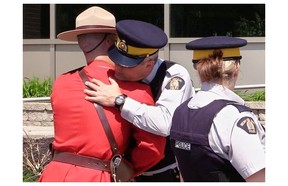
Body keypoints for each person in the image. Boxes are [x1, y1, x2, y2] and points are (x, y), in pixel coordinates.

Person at [38, 7, 166, 182]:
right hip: (98, 177)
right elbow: (152, 149)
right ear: (112, 41)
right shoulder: (134, 89)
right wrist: (125, 168)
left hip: (53, 175)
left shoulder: (61, 83)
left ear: (80, 41)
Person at [83, 19, 195, 182]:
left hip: (166, 173)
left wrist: (119, 100)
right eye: (116, 59)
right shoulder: (118, 74)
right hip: (126, 172)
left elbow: (164, 123)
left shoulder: (174, 76)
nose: (118, 67)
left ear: (149, 65)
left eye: (126, 64)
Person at [170, 36, 265, 182]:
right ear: (236, 68)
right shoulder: (234, 117)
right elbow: (260, 179)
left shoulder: (180, 111)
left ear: (199, 70)